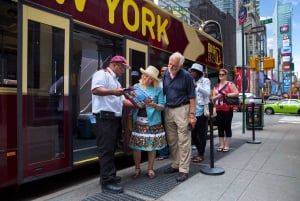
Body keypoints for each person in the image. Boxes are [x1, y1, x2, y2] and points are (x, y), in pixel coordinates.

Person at [91, 55, 134, 194]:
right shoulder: (101, 74)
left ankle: (110, 175)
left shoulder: (116, 82)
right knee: (106, 150)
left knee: (111, 149)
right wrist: (114, 92)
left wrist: (139, 104)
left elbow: (122, 101)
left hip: (113, 119)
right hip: (104, 118)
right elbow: (96, 90)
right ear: (115, 65)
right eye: (122, 68)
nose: (123, 71)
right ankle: (106, 182)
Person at [163, 52, 196, 182]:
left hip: (182, 109)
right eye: (170, 63)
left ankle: (184, 169)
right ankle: (176, 164)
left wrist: (192, 115)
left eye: (174, 65)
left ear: (181, 65)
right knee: (172, 140)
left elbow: (192, 97)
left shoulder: (186, 76)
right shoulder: (166, 74)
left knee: (184, 140)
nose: (171, 66)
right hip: (168, 109)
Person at [129, 65, 167, 179]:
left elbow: (162, 106)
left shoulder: (158, 89)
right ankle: (137, 168)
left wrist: (154, 105)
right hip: (138, 120)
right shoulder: (136, 87)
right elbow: (131, 101)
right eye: (146, 76)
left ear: (154, 80)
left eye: (151, 78)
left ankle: (150, 169)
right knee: (136, 147)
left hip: (153, 122)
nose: (148, 79)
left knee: (152, 146)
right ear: (143, 75)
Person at [212, 69, 239, 152]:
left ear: (226, 75)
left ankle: (227, 145)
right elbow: (213, 98)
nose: (221, 76)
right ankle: (221, 145)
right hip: (218, 108)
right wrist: (216, 97)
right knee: (220, 127)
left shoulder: (230, 84)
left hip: (227, 108)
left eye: (223, 74)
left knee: (227, 127)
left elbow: (236, 93)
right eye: (220, 74)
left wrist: (226, 94)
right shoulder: (216, 86)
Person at [189, 63, 211, 162]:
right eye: (191, 71)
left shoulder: (205, 80)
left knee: (201, 133)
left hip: (202, 110)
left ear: (198, 73)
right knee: (193, 133)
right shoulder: (191, 80)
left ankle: (201, 154)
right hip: (193, 110)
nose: (192, 72)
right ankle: (199, 151)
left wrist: (197, 86)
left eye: (193, 71)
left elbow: (208, 93)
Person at [157, 65, 169, 160]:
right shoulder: (157, 82)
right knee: (161, 130)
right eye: (162, 71)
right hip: (159, 107)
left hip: (169, 107)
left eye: (165, 71)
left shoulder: (172, 80)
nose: (163, 72)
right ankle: (163, 152)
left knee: (169, 130)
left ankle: (170, 151)